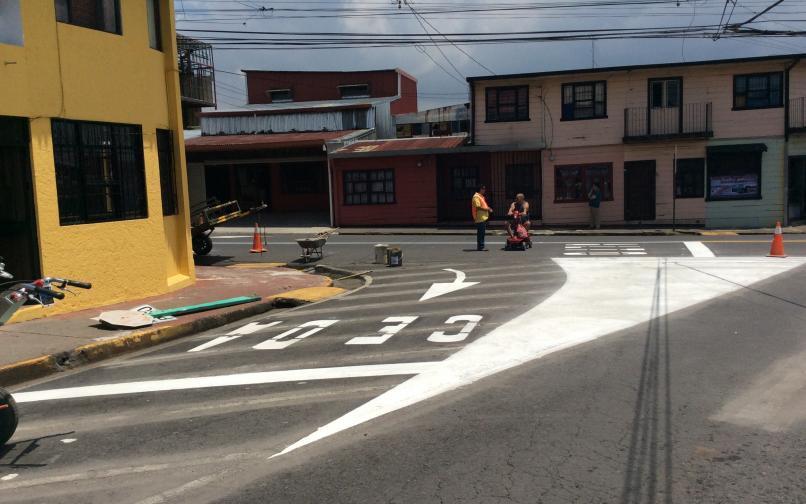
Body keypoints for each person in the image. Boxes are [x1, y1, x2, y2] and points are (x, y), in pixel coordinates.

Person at [471, 185, 493, 251]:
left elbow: (483, 205)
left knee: (482, 233)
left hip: (482, 217)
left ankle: (481, 246)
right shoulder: (476, 197)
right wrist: (487, 209)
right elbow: (478, 207)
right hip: (479, 217)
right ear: (480, 189)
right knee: (481, 233)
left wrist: (488, 208)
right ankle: (481, 247)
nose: (484, 190)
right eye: (483, 189)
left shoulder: (480, 197)